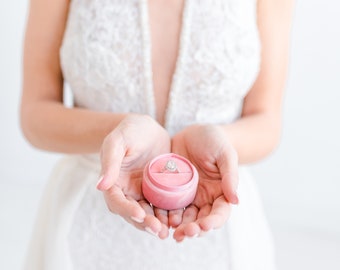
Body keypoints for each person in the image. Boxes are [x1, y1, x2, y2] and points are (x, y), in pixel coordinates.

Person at [20, 0, 294, 269]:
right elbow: (35, 115)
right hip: (85, 225)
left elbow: (267, 122)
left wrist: (220, 144)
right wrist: (119, 135)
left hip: (218, 222)